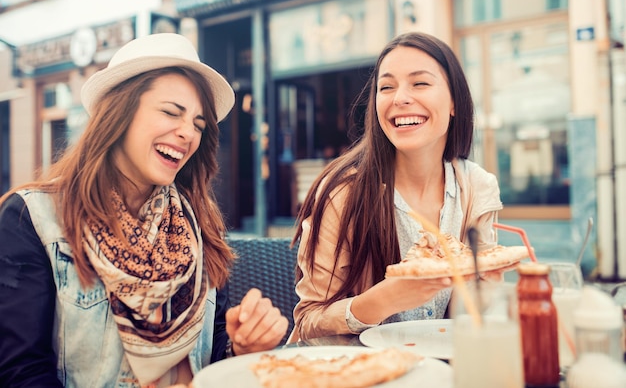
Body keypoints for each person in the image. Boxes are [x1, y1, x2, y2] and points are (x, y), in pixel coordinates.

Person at [0, 33, 288, 387]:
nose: (187, 133)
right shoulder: (32, 218)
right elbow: (20, 373)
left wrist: (242, 348)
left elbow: (210, 363)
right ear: (117, 114)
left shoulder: (197, 224)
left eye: (199, 125)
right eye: (171, 112)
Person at [287, 31, 503, 342]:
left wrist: (481, 292)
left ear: (454, 101)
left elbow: (477, 319)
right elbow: (308, 321)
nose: (400, 98)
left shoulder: (477, 189)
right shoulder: (343, 193)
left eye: (420, 83)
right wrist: (384, 300)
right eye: (386, 87)